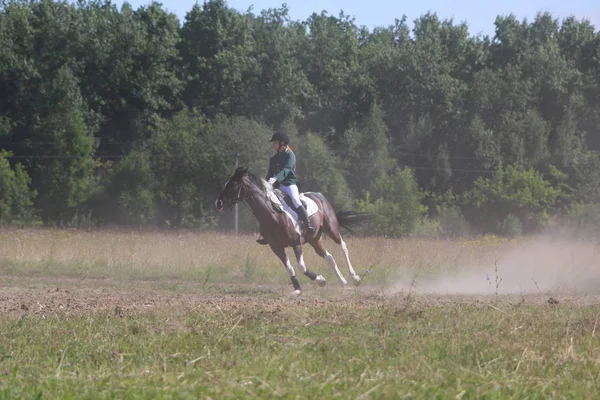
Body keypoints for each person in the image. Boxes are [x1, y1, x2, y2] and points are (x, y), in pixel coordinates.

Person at [257, 131, 315, 245]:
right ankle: (266, 233)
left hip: (289, 184)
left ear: (282, 143)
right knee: (265, 202)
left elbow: (287, 169)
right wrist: (265, 183)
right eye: (273, 142)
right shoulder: (273, 158)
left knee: (295, 200)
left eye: (275, 142)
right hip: (276, 186)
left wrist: (276, 178)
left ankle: (308, 224)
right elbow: (269, 173)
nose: (273, 144)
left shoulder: (290, 155)